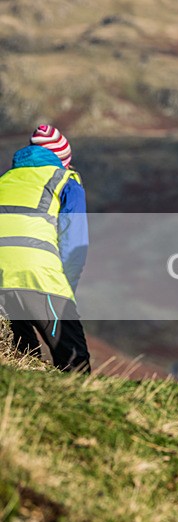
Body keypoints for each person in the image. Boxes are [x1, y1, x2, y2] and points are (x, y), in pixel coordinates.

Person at [0, 124, 91, 373]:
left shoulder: (5, 181)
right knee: (75, 363)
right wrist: (64, 293)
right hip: (39, 277)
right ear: (63, 161)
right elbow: (75, 246)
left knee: (21, 359)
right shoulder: (66, 182)